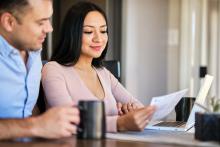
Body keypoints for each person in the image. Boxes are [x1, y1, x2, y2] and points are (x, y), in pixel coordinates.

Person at [42, 1, 156, 132]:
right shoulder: (53, 70)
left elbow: (140, 108)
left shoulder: (103, 73)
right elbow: (70, 122)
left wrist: (129, 112)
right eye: (89, 31)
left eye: (103, 31)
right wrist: (120, 122)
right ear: (72, 34)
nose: (99, 39)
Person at [0, 0, 79, 140]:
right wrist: (35, 126)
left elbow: (27, 110)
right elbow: (34, 124)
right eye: (41, 22)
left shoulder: (33, 51)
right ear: (9, 22)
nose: (50, 29)